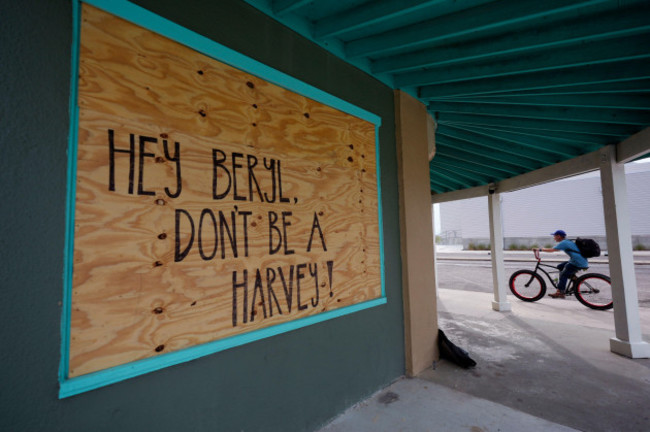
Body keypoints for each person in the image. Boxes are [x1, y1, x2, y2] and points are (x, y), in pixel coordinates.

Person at [534, 230, 588, 299]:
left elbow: (552, 250)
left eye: (554, 236)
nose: (554, 238)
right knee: (560, 266)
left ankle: (560, 293)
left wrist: (540, 249)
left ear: (558, 236)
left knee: (563, 274)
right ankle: (575, 280)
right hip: (580, 261)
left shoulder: (564, 243)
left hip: (577, 262)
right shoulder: (567, 241)